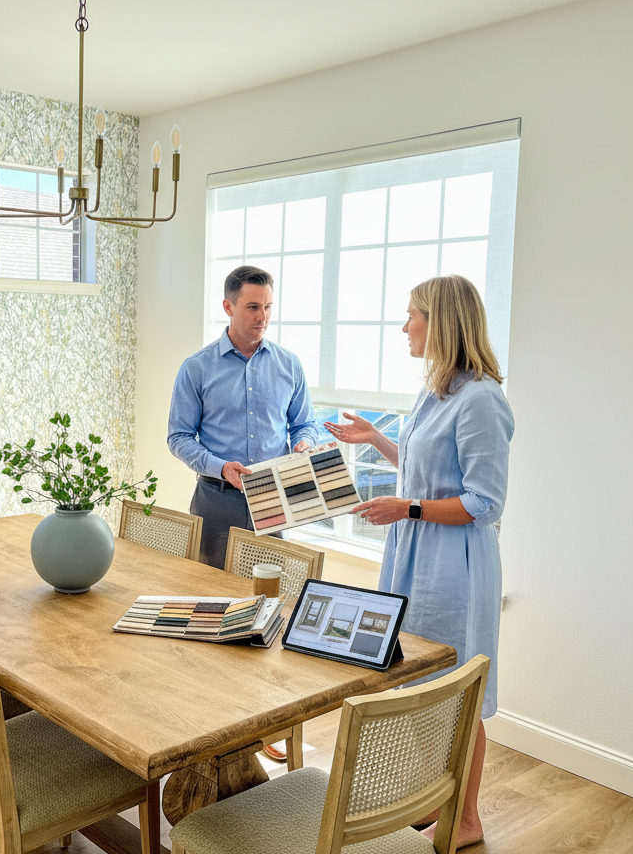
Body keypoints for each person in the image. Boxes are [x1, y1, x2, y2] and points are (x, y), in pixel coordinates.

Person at [324, 274, 512, 849]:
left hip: (453, 563)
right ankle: (441, 800)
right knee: (423, 685)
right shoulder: (438, 389)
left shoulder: (482, 399)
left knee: (459, 693)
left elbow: (485, 502)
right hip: (415, 553)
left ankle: (469, 818)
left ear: (442, 322)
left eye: (412, 316)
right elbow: (425, 460)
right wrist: (375, 440)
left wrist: (406, 506)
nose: (404, 327)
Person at [167, 264, 319, 569]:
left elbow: (304, 424)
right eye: (252, 307)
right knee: (207, 592)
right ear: (228, 306)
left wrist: (303, 443)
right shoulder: (196, 368)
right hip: (216, 499)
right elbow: (178, 437)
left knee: (269, 594)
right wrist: (222, 468)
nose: (262, 316)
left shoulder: (290, 365)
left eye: (267, 307)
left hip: (272, 497)